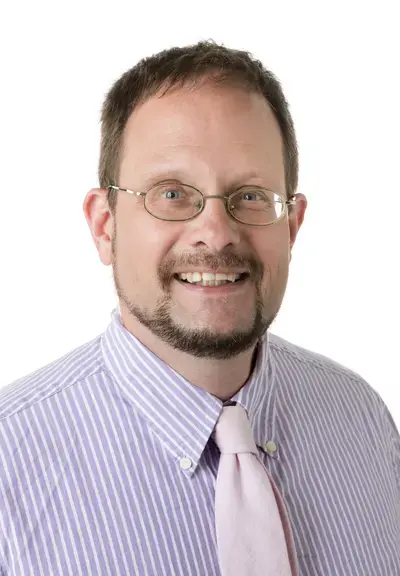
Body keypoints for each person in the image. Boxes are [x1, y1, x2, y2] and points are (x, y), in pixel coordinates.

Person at [0, 40, 399, 576]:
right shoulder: (9, 462)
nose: (215, 233)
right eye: (171, 194)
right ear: (105, 225)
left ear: (292, 225)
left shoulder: (363, 421)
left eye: (252, 196)